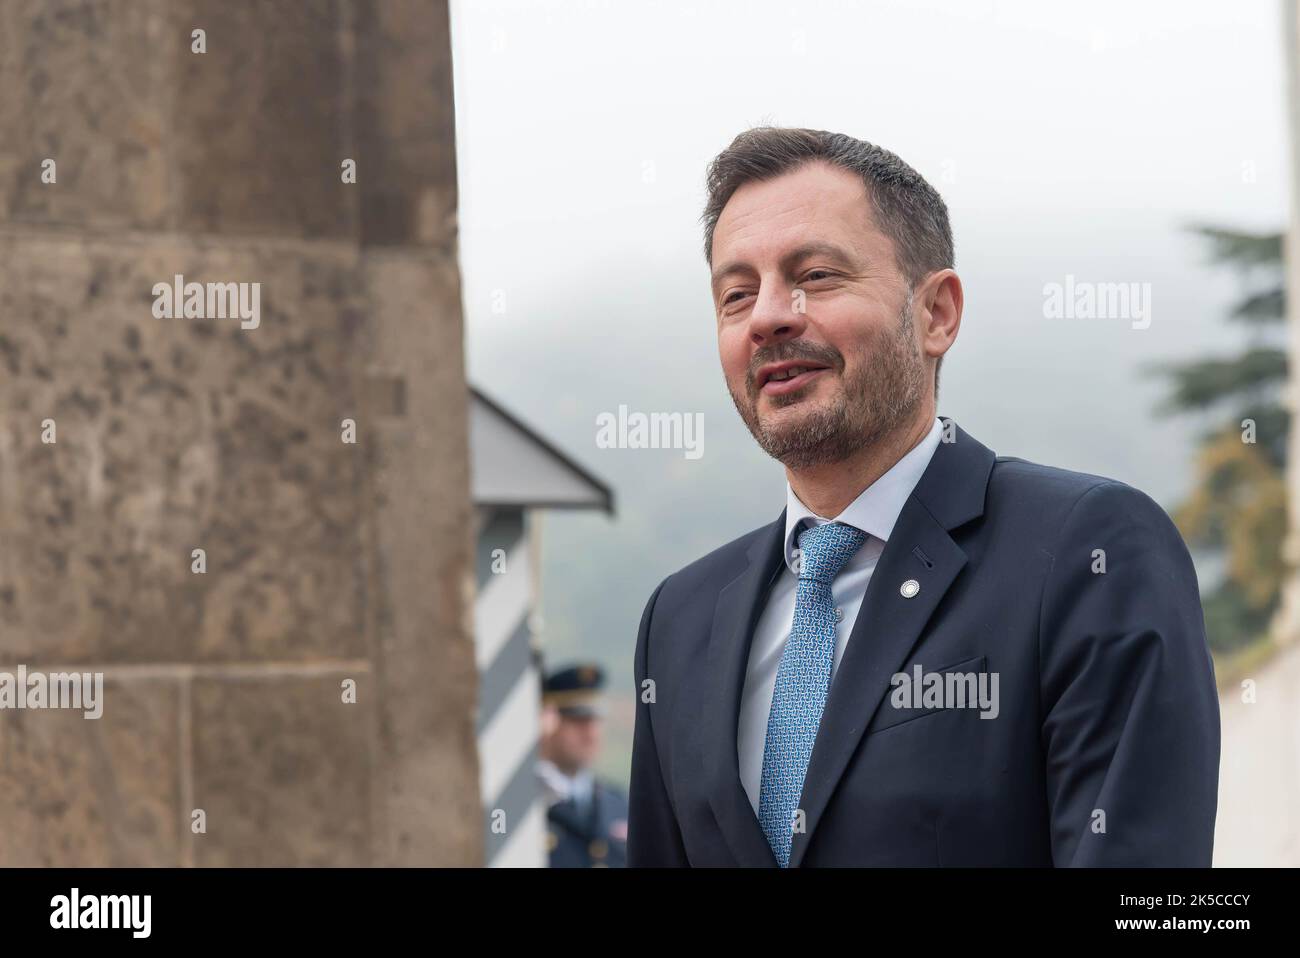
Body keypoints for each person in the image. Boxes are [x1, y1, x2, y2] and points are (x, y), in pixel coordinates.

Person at [627, 127, 1220, 867]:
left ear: (936, 313)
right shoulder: (679, 622)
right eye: (736, 294)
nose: (768, 316)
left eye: (815, 275)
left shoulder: (1087, 550)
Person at [538, 663, 628, 867]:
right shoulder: (525, 803)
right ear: (548, 722)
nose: (591, 733)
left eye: (595, 721)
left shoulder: (619, 804)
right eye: (578, 721)